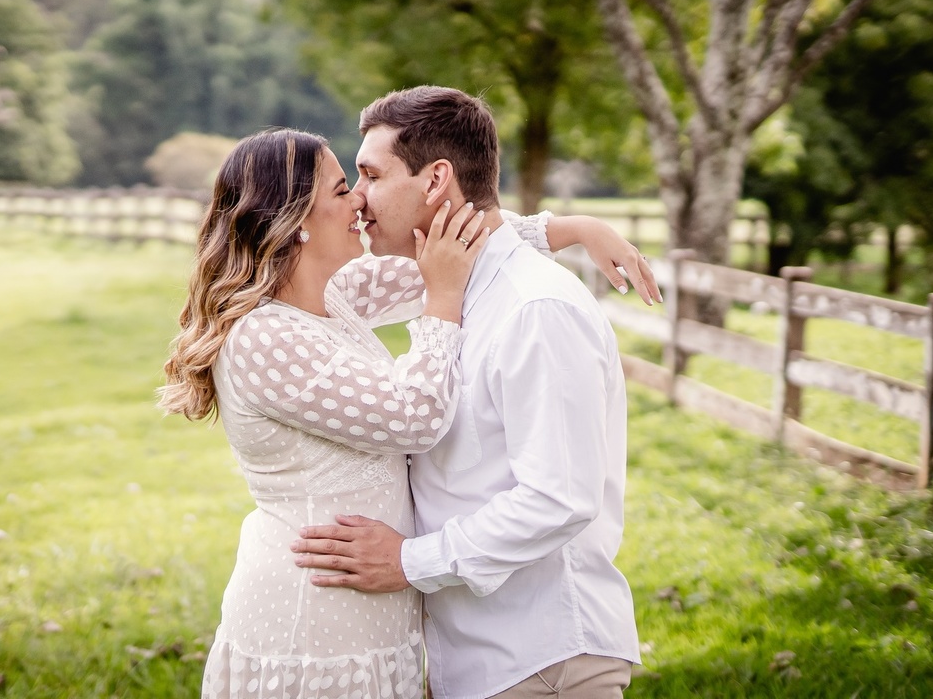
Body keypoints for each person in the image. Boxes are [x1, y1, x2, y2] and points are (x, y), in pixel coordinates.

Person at [161, 125, 653, 699]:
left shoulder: (331, 296)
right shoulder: (264, 335)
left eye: (364, 180)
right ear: (297, 219)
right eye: (344, 187)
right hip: (316, 609)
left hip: (374, 606)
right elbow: (414, 417)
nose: (360, 201)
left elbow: (459, 246)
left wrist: (573, 229)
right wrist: (443, 303)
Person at [291, 87, 641, 699]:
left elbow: (559, 498)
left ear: (436, 181)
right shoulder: (448, 289)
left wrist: (408, 562)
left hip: (542, 660)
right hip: (471, 659)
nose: (359, 199)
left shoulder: (536, 310)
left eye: (371, 174)